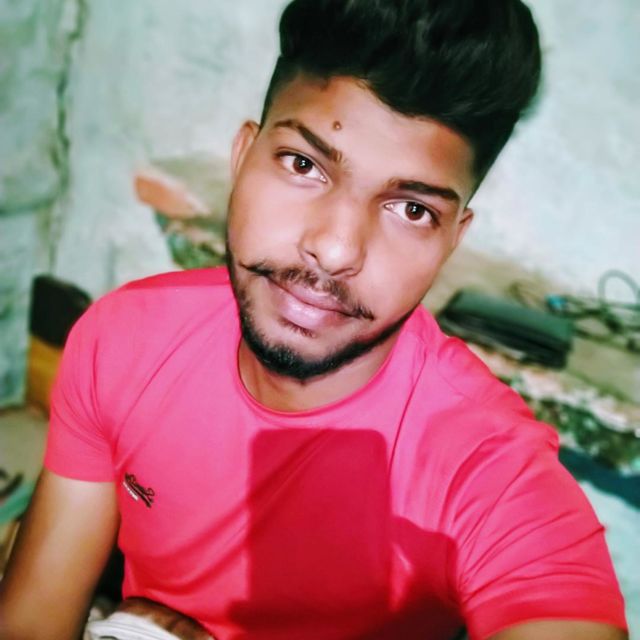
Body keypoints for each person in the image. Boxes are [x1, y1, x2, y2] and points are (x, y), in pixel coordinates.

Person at [0, 1, 629, 638]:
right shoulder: (123, 341)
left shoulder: (483, 465)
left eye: (411, 210)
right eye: (304, 165)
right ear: (243, 155)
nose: (334, 249)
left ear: (451, 241)